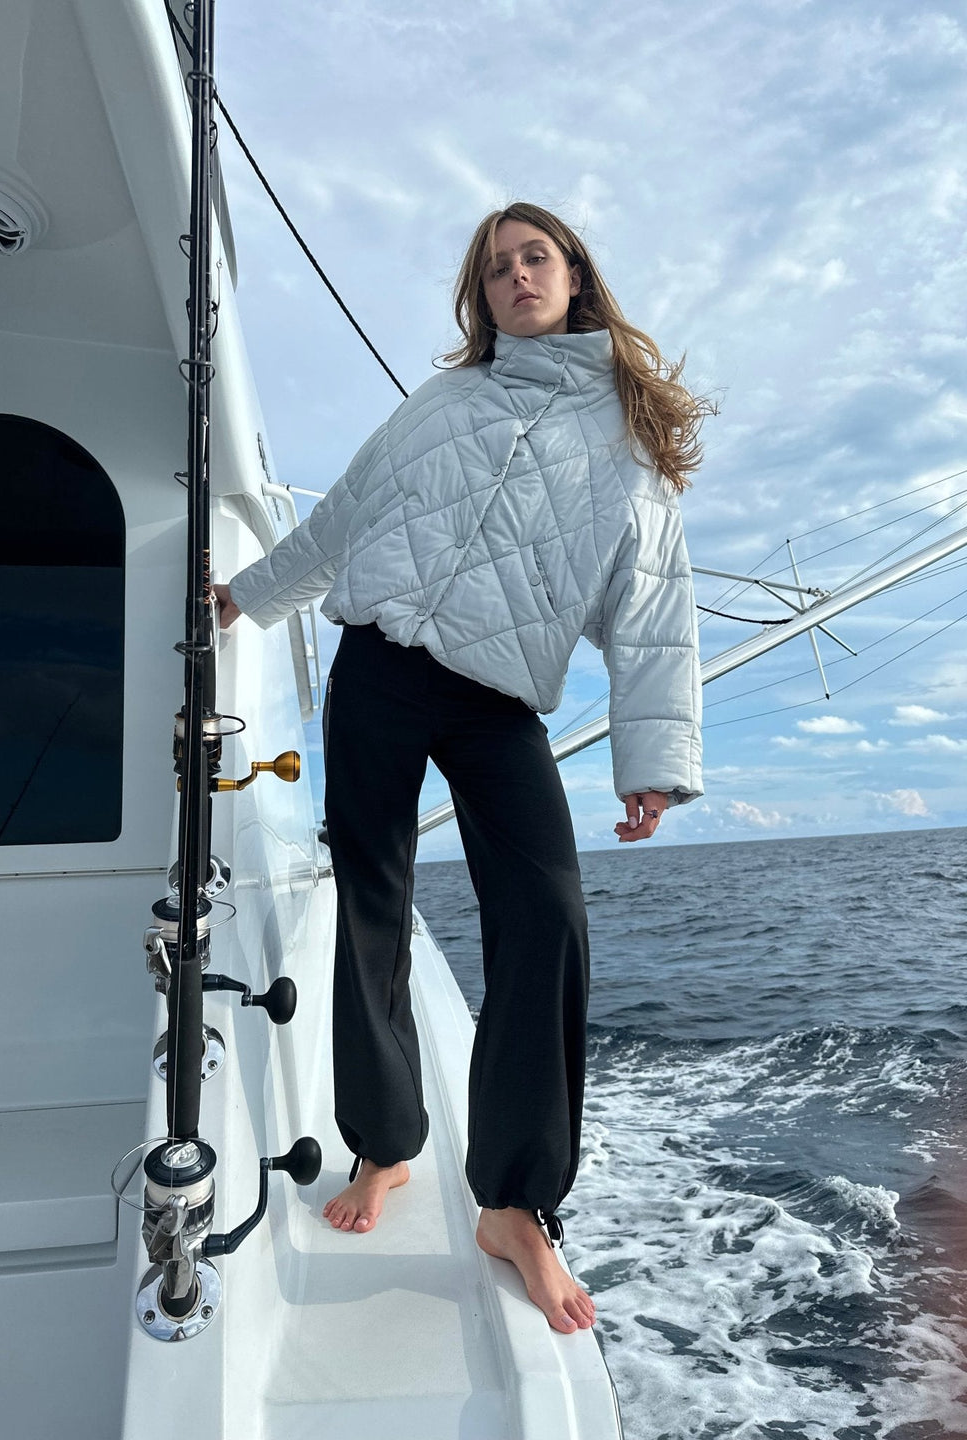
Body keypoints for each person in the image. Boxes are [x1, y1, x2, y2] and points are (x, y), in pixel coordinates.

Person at [215, 201, 709, 1334]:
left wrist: (653, 762)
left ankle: (516, 1206)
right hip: (379, 668)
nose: (516, 276)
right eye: (495, 269)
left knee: (547, 917)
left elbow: (654, 614)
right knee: (373, 909)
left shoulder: (629, 442)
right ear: (481, 300)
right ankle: (385, 1147)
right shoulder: (444, 401)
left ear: (576, 274)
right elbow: (343, 518)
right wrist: (248, 597)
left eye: (535, 257)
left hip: (499, 705)